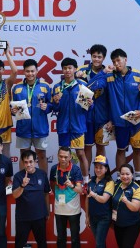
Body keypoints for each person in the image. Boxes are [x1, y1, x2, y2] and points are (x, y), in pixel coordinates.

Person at [91, 49, 140, 183]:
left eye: (119, 60)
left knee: (138, 150)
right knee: (121, 150)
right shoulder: (109, 77)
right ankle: (123, 178)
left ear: (125, 59)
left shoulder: (138, 75)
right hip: (119, 122)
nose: (116, 63)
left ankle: (138, 178)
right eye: (114, 61)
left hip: (136, 121)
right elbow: (91, 86)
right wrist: (103, 73)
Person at [52, 57, 92, 187]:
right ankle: (64, 180)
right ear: (62, 70)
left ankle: (86, 181)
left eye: (70, 68)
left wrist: (90, 104)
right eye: (65, 68)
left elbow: (88, 107)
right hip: (63, 126)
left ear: (75, 69)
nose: (67, 71)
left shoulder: (82, 86)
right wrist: (56, 102)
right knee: (64, 155)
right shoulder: (57, 87)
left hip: (77, 126)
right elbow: (55, 109)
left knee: (80, 153)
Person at [11, 59, 52, 172]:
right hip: (23, 127)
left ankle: (44, 183)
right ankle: (22, 182)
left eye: (32, 71)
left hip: (40, 128)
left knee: (41, 155)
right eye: (27, 71)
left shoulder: (45, 86)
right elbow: (12, 107)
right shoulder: (16, 88)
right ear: (24, 72)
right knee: (24, 155)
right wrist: (12, 111)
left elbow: (52, 104)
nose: (30, 74)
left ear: (37, 71)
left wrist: (47, 107)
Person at [77, 44, 111, 165]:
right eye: (94, 56)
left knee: (101, 147)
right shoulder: (82, 71)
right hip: (86, 117)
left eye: (99, 57)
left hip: (103, 117)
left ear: (104, 58)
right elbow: (84, 90)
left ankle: (100, 176)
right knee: (87, 146)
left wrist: (111, 119)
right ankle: (87, 177)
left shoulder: (109, 73)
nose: (96, 59)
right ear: (91, 56)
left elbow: (112, 97)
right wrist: (78, 76)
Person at [12, 150, 50, 248]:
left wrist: (47, 211)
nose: (28, 165)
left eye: (30, 162)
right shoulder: (18, 176)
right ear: (22, 162)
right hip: (23, 218)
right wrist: (22, 185)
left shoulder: (42, 174)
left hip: (40, 216)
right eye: (26, 162)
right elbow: (15, 195)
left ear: (35, 161)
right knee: (19, 244)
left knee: (42, 243)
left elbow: (46, 193)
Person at [50, 146, 83, 248]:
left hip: (73, 210)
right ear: (57, 156)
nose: (63, 159)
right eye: (61, 156)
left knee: (75, 238)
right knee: (60, 238)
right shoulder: (54, 168)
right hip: (59, 209)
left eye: (65, 157)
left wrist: (72, 185)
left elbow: (80, 190)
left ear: (70, 157)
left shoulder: (76, 169)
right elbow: (52, 184)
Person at [85, 155, 114, 248]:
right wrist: (87, 216)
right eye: (96, 167)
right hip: (93, 217)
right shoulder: (91, 180)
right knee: (100, 242)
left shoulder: (109, 182)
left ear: (106, 169)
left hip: (104, 217)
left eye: (101, 168)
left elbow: (104, 199)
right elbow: (87, 199)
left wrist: (93, 194)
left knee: (99, 243)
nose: (98, 170)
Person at [112, 164, 140, 248]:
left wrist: (126, 201)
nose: (125, 176)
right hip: (118, 224)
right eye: (122, 174)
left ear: (132, 175)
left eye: (127, 174)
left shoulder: (137, 188)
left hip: (132, 224)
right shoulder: (116, 185)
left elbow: (135, 208)